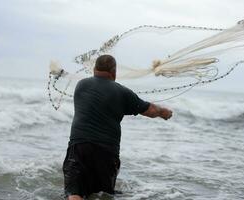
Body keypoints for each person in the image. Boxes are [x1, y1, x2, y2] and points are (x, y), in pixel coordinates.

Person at [63, 55, 173, 200]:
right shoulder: (123, 93)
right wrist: (164, 112)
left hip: (79, 146)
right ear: (114, 72)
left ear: (95, 69)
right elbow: (150, 110)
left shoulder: (81, 85)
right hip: (106, 152)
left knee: (74, 192)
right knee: (102, 195)